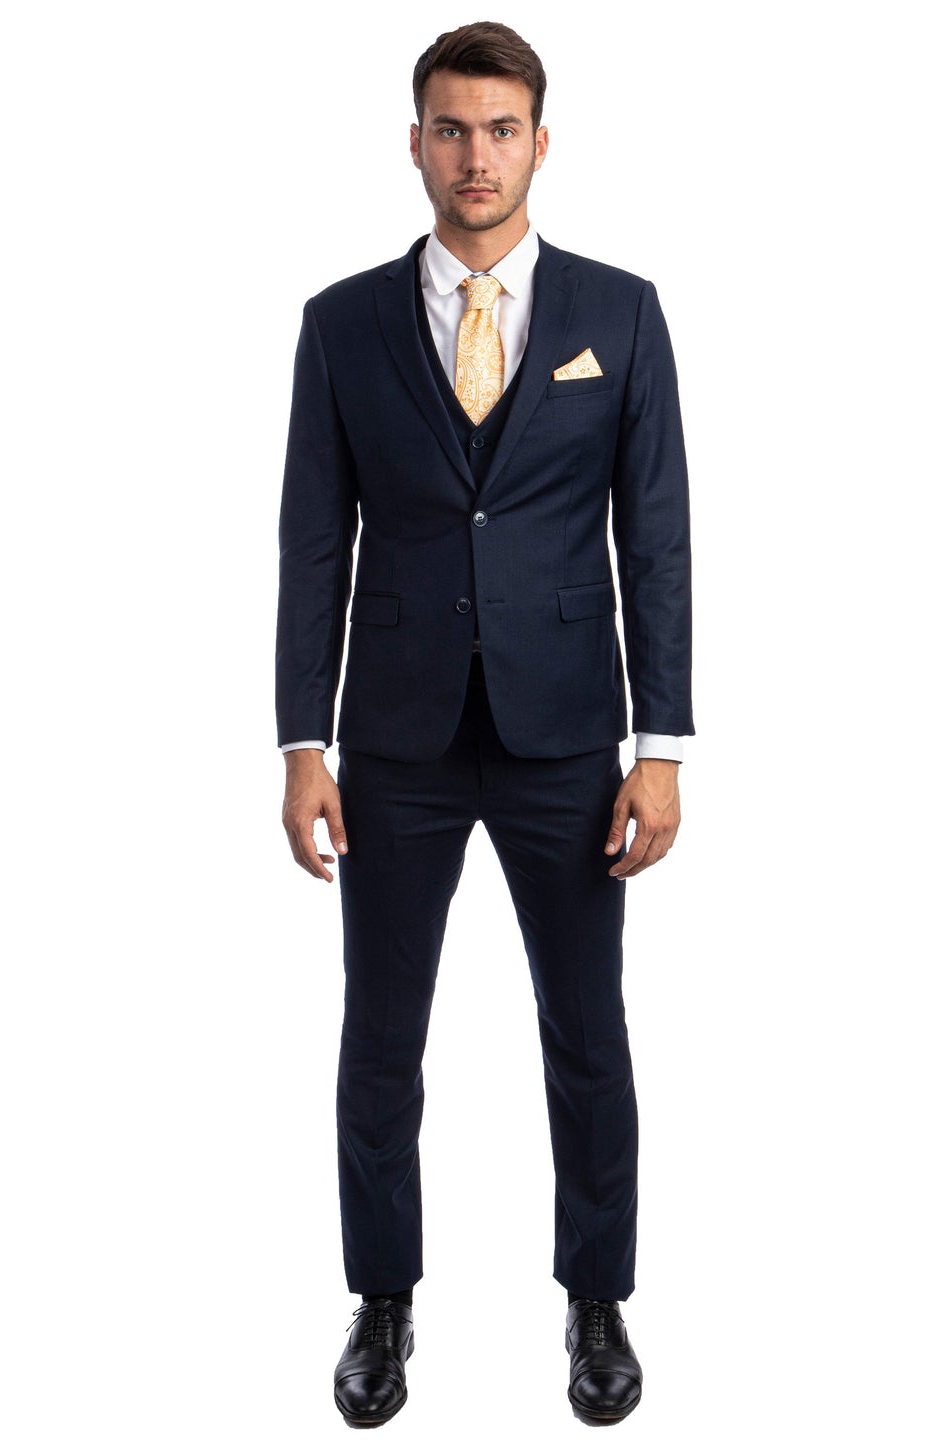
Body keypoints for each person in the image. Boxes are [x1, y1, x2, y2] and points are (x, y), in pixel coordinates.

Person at [274, 21, 693, 1428]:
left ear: (540, 144)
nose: (475, 156)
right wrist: (301, 742)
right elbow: (310, 545)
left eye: (499, 129)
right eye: (450, 129)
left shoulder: (619, 313)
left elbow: (656, 539)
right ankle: (382, 1301)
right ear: (414, 143)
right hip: (390, 739)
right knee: (380, 1036)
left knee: (587, 1028)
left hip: (565, 733)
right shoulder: (340, 324)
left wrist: (661, 749)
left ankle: (597, 1299)